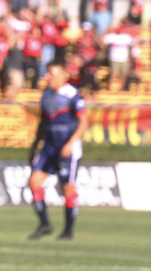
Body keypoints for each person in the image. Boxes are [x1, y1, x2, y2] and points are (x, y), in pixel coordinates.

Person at [27, 62, 89, 241]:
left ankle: (68, 230)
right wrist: (35, 146)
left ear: (63, 76)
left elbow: (84, 121)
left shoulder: (72, 95)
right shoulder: (46, 95)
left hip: (67, 150)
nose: (48, 77)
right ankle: (44, 223)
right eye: (47, 74)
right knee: (34, 181)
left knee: (67, 188)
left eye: (52, 74)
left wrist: (70, 143)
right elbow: (43, 123)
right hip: (49, 147)